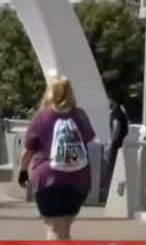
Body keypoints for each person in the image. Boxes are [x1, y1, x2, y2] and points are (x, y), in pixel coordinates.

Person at [17, 74, 97, 240]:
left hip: (47, 178)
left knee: (53, 227)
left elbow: (27, 151)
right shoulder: (80, 115)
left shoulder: (41, 116)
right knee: (64, 227)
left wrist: (23, 171)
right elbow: (89, 138)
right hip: (78, 178)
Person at [104, 96, 130, 192]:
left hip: (115, 147)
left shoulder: (115, 114)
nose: (108, 102)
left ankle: (110, 193)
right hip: (122, 146)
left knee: (111, 171)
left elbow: (116, 128)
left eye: (109, 100)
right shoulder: (122, 113)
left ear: (114, 101)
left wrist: (110, 144)